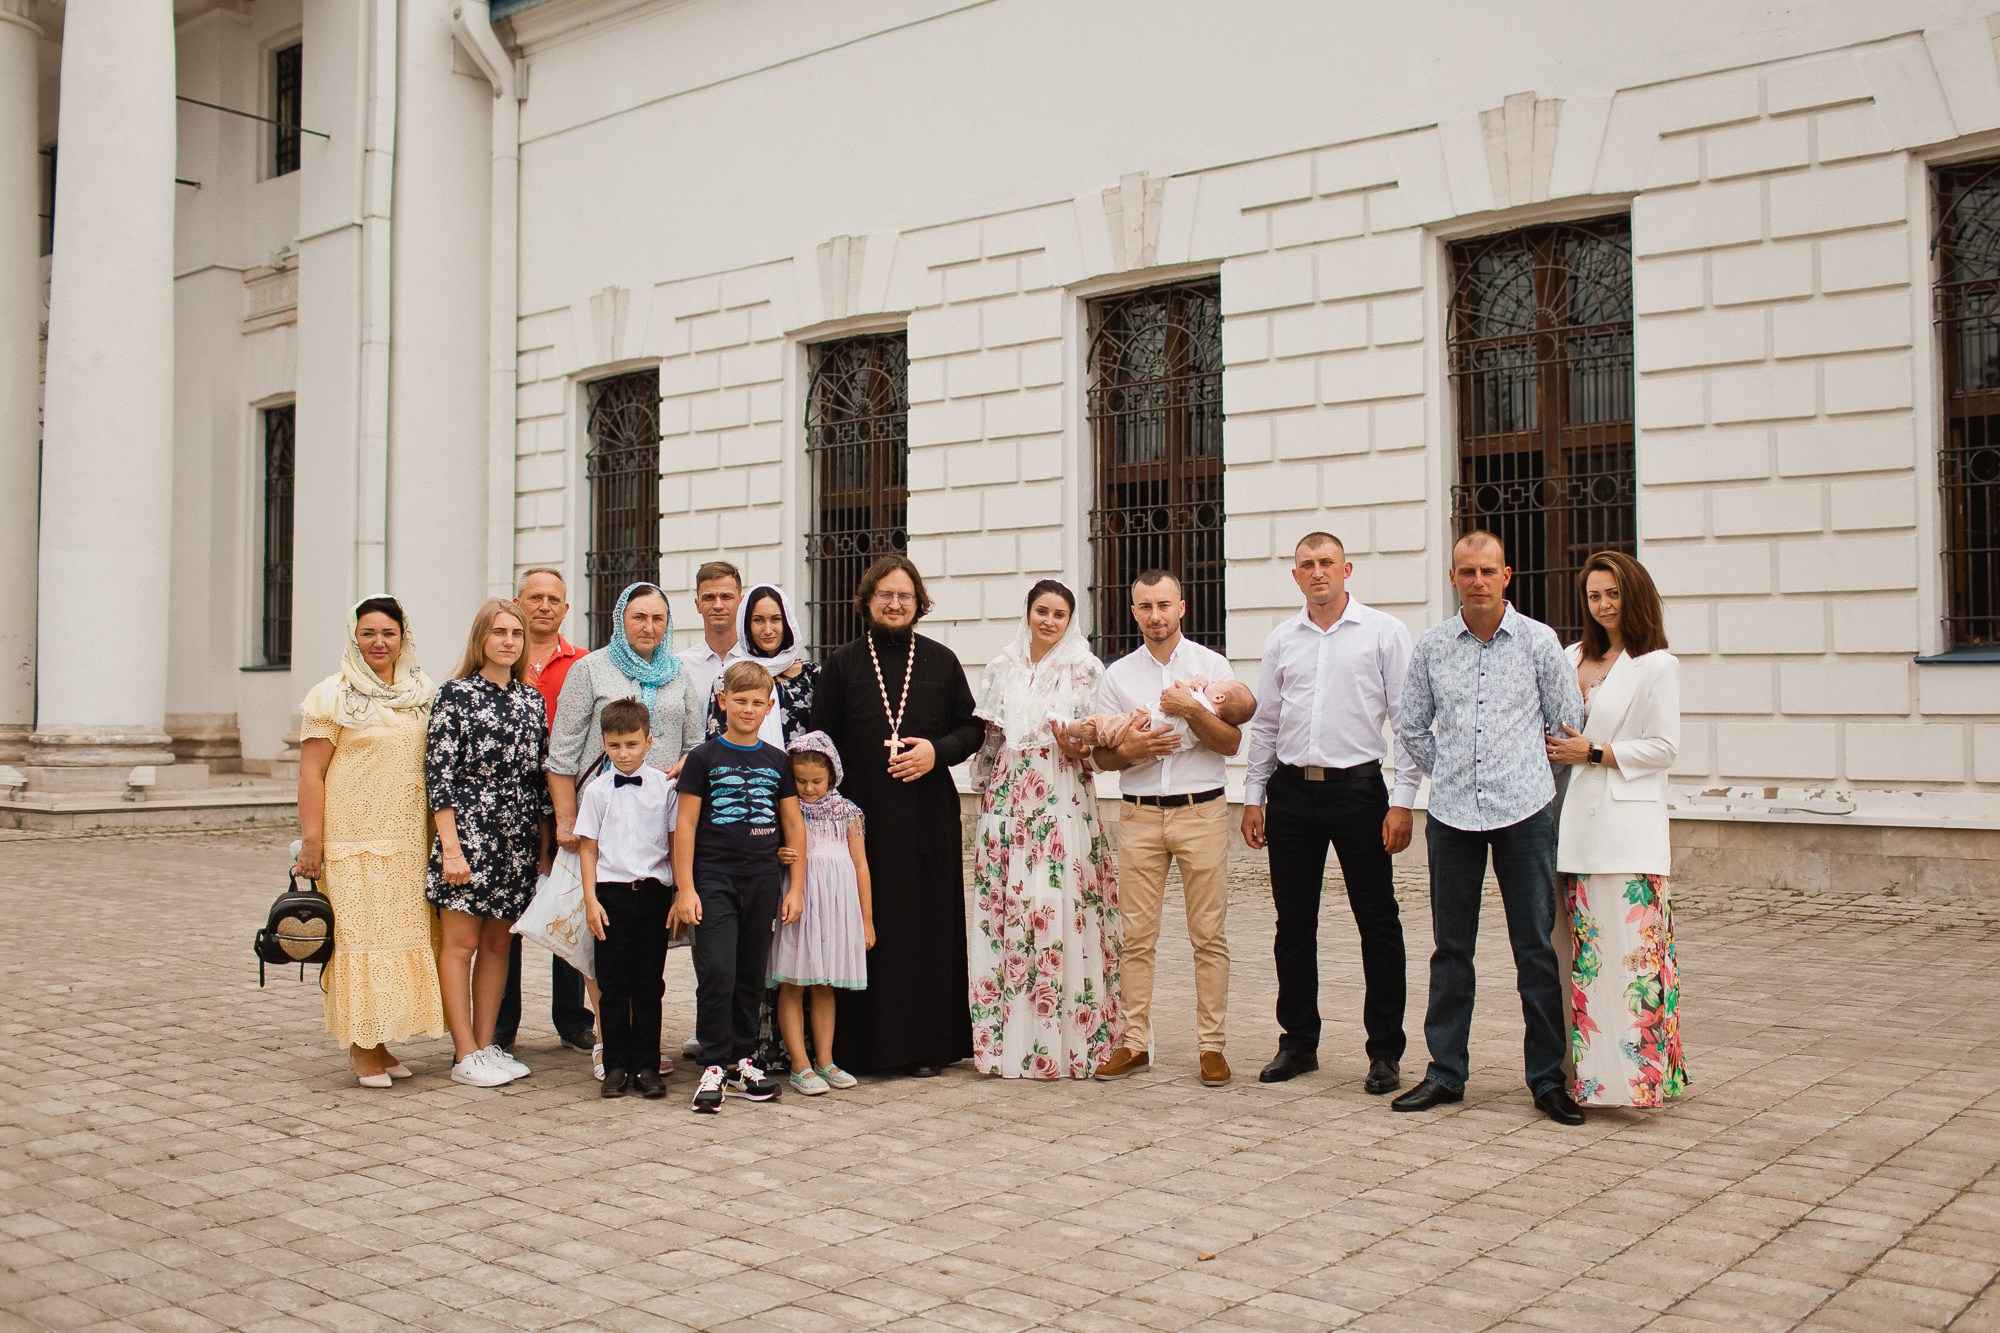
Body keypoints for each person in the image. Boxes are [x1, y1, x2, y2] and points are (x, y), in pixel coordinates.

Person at [1394, 531, 1586, 1125]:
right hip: (1451, 816)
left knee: (1534, 948)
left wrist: (1528, 774)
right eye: (1466, 571)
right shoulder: (1431, 647)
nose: (1477, 581)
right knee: (1452, 950)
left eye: (1488, 571)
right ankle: (1446, 1073)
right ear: (1453, 578)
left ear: (1507, 576)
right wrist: (1449, 768)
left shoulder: (1538, 642)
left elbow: (1567, 723)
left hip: (1525, 814)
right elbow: (1411, 724)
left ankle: (1547, 1079)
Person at [1242, 533, 1417, 1095]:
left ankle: (1385, 1052)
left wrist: (1403, 801)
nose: (1317, 573)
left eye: (1326, 564)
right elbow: (1267, 722)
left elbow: (1407, 721)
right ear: (1295, 575)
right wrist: (1253, 795)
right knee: (1293, 924)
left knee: (1378, 922)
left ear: (1347, 569)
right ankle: (1298, 1043)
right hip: (1291, 793)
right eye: (1306, 565)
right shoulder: (1281, 640)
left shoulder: (1383, 633)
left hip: (1359, 791)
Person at [810, 554, 984, 1077]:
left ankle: (926, 1047)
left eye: (904, 595)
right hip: (861, 821)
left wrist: (936, 751)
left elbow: (971, 729)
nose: (894, 603)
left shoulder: (941, 660)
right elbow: (820, 740)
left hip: (926, 817)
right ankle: (858, 1049)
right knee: (865, 925)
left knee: (923, 928)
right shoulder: (841, 663)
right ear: (867, 601)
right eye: (885, 594)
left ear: (918, 603)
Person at [1090, 570, 1245, 1089]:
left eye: (1163, 605)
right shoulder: (1118, 677)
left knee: (1208, 936)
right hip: (1138, 813)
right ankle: (1134, 1042)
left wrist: (1188, 711)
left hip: (1201, 810)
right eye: (1144, 607)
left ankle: (1212, 1047)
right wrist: (1132, 749)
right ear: (1133, 612)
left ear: (1181, 607)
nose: (1155, 616)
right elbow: (1105, 757)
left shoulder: (1211, 666)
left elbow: (1229, 743)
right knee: (1136, 936)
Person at [1546, 551, 1687, 1109]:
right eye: (1594, 596)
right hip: (1564, 821)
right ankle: (1576, 1072)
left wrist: (1596, 752)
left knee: (1633, 956)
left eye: (1613, 594)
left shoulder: (1656, 665)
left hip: (1625, 831)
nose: (1603, 605)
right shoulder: (1571, 655)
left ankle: (1639, 1079)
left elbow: (1665, 747)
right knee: (1574, 956)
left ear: (1635, 596)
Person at [967, 580, 1122, 1080]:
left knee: (1060, 901)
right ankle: (1009, 1039)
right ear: (1028, 613)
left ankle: (1071, 1038)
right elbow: (989, 741)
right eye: (1041, 611)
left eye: (1059, 613)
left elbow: (1096, 741)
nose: (1049, 621)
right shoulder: (1001, 667)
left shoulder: (1086, 670)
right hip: (1009, 797)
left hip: (1061, 793)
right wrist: (986, 797)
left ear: (1071, 619)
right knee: (1012, 904)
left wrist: (1077, 744)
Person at [295, 596, 445, 1088]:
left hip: (406, 840)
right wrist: (311, 842)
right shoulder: (331, 695)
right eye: (368, 633)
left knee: (397, 940)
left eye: (388, 633)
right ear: (353, 637)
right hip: (351, 840)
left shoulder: (422, 692)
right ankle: (361, 1048)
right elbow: (312, 772)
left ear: (403, 638)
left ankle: (380, 1042)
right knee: (359, 942)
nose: (379, 642)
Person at [425, 599, 552, 1089]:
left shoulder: (530, 699)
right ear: (482, 637)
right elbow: (440, 777)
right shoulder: (454, 695)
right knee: (461, 944)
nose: (508, 641)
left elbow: (540, 782)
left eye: (516, 634)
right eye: (499, 632)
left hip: (516, 835)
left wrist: (541, 850)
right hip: (469, 831)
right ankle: (463, 1050)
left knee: (500, 943)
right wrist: (451, 847)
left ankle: (485, 1043)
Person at [672, 661, 807, 1112]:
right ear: (723, 702)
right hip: (713, 880)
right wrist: (685, 888)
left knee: (750, 974)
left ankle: (742, 1059)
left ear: (769, 707)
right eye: (740, 701)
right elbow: (686, 824)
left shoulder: (777, 760)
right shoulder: (703, 758)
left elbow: (793, 825)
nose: (748, 709)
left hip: (763, 881)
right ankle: (713, 1063)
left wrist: (796, 888)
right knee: (716, 971)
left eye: (757, 703)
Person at [494, 567, 593, 1058]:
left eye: (555, 599)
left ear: (566, 608)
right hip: (510, 806)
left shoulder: (584, 664)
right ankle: (502, 1021)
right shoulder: (500, 660)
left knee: (568, 903)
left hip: (565, 802)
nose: (545, 606)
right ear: (518, 602)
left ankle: (572, 1019)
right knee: (508, 911)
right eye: (535, 597)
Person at [577, 698, 679, 1101]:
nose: (624, 753)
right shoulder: (598, 792)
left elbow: (674, 845)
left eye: (632, 744)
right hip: (611, 896)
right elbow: (587, 848)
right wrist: (590, 901)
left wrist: (677, 894)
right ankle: (616, 1065)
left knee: (649, 984)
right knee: (613, 984)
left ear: (649, 741)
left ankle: (648, 1065)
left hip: (653, 895)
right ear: (604, 743)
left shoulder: (665, 787)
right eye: (615, 745)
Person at [767, 731, 873, 1095]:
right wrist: (779, 854)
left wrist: (866, 919)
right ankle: (799, 1064)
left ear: (833, 775)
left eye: (817, 781)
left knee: (825, 984)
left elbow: (860, 865)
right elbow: (771, 848)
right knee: (794, 982)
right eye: (800, 781)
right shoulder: (785, 810)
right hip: (800, 903)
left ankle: (825, 1060)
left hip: (836, 907)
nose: (809, 789)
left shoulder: (849, 812)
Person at [707, 584, 819, 745]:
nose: (768, 629)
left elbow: (824, 737)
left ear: (787, 622)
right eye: (758, 620)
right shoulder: (729, 676)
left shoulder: (811, 674)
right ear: (746, 625)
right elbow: (716, 741)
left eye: (775, 619)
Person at [678, 560, 743, 707]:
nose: (718, 605)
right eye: (709, 597)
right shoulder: (681, 667)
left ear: (741, 602)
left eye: (726, 597)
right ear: (698, 604)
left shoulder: (757, 661)